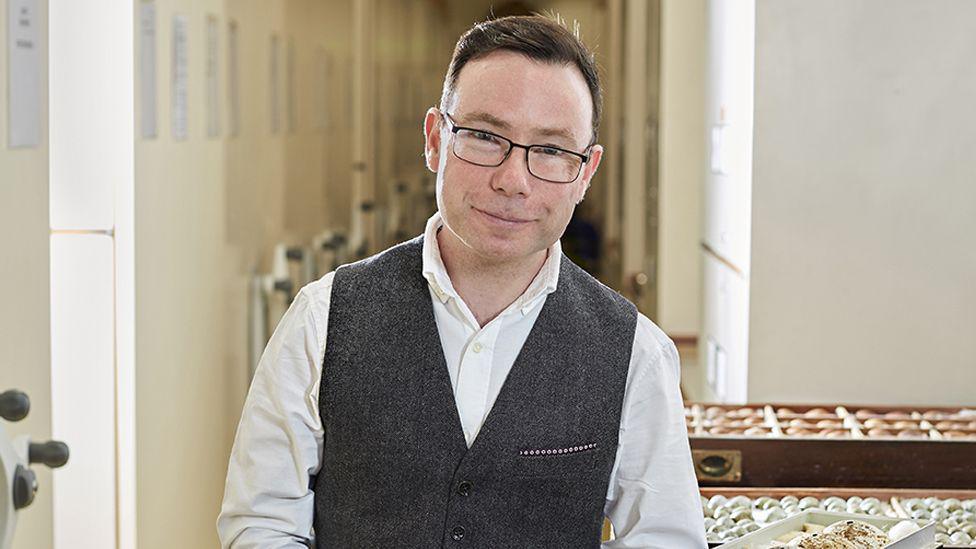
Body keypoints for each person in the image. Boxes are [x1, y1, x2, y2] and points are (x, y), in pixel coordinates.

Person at [218, 15, 705, 548]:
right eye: (484, 136)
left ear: (586, 172)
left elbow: (664, 539)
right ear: (435, 140)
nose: (512, 180)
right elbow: (261, 523)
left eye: (550, 150)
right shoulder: (324, 319)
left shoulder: (635, 352)